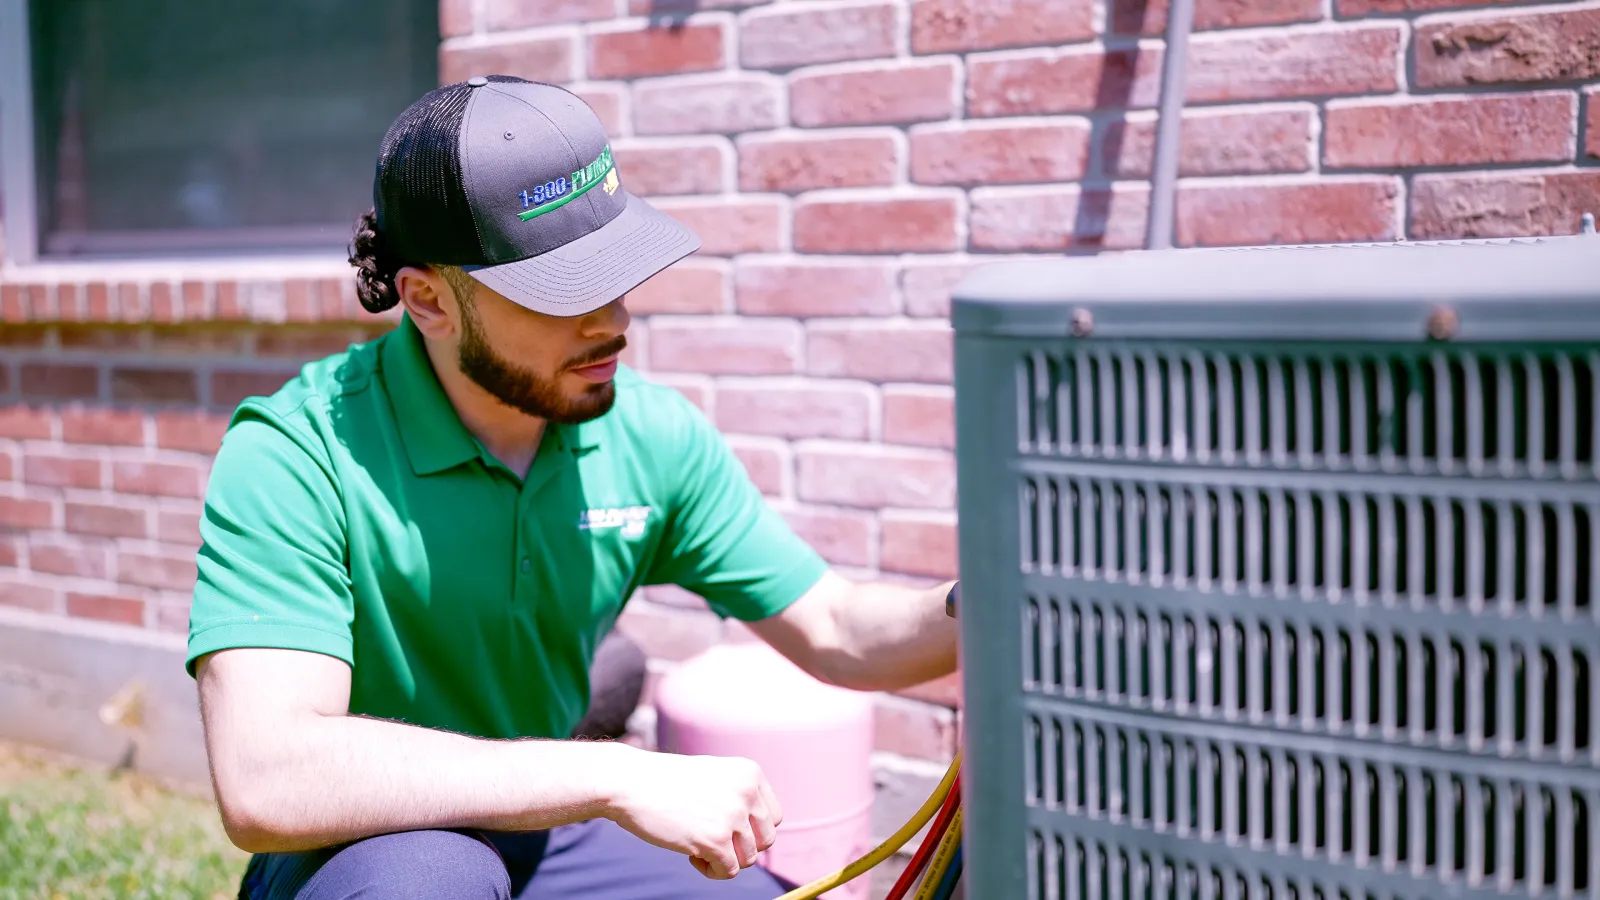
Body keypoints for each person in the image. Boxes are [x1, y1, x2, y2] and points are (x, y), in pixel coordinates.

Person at [186, 75, 960, 900]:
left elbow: (837, 627)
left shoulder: (650, 437)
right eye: (562, 290)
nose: (613, 320)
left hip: (547, 834)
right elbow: (266, 777)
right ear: (428, 300)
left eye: (617, 271)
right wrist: (612, 775)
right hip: (368, 849)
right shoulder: (298, 451)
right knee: (426, 882)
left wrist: (996, 604)